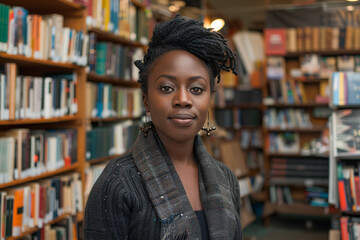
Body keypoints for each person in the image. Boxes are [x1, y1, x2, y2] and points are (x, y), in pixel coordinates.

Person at [84, 14, 241, 240]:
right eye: (167, 88)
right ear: (146, 99)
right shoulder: (116, 184)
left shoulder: (226, 179)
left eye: (197, 89)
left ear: (209, 99)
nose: (183, 99)